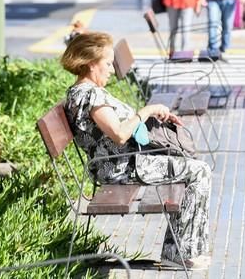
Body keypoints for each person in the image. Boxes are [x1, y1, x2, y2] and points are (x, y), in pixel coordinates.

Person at [60, 32, 211, 269]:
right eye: (108, 63)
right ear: (91, 64)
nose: (111, 69)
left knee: (189, 165)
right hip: (122, 167)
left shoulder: (83, 92)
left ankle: (179, 249)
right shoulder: (90, 96)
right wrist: (147, 111)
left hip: (124, 161)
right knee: (199, 171)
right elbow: (119, 134)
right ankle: (180, 251)